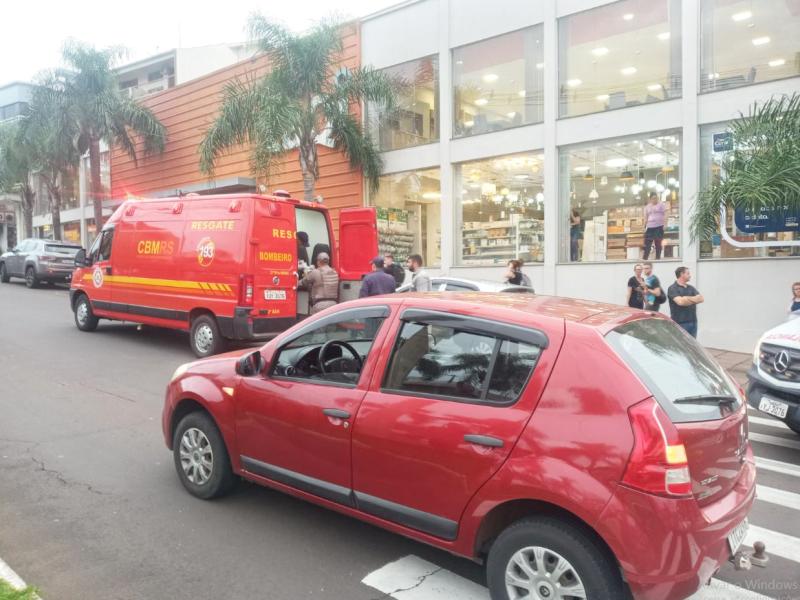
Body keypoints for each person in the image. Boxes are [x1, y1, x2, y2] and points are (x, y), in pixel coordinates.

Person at [668, 266, 704, 338]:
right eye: (688, 273)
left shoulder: (691, 288)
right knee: (681, 346)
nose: (690, 275)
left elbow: (701, 298)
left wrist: (685, 298)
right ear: (682, 274)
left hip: (693, 322)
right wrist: (694, 299)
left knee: (693, 347)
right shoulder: (672, 288)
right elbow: (680, 302)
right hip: (680, 323)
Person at [643, 192, 666, 260]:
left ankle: (658, 257)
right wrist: (644, 227)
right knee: (647, 243)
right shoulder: (647, 207)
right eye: (653, 199)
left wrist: (665, 224)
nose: (655, 200)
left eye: (656, 198)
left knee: (658, 243)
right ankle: (645, 258)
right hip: (650, 227)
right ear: (650, 199)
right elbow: (645, 217)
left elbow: (666, 215)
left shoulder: (661, 205)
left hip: (659, 226)